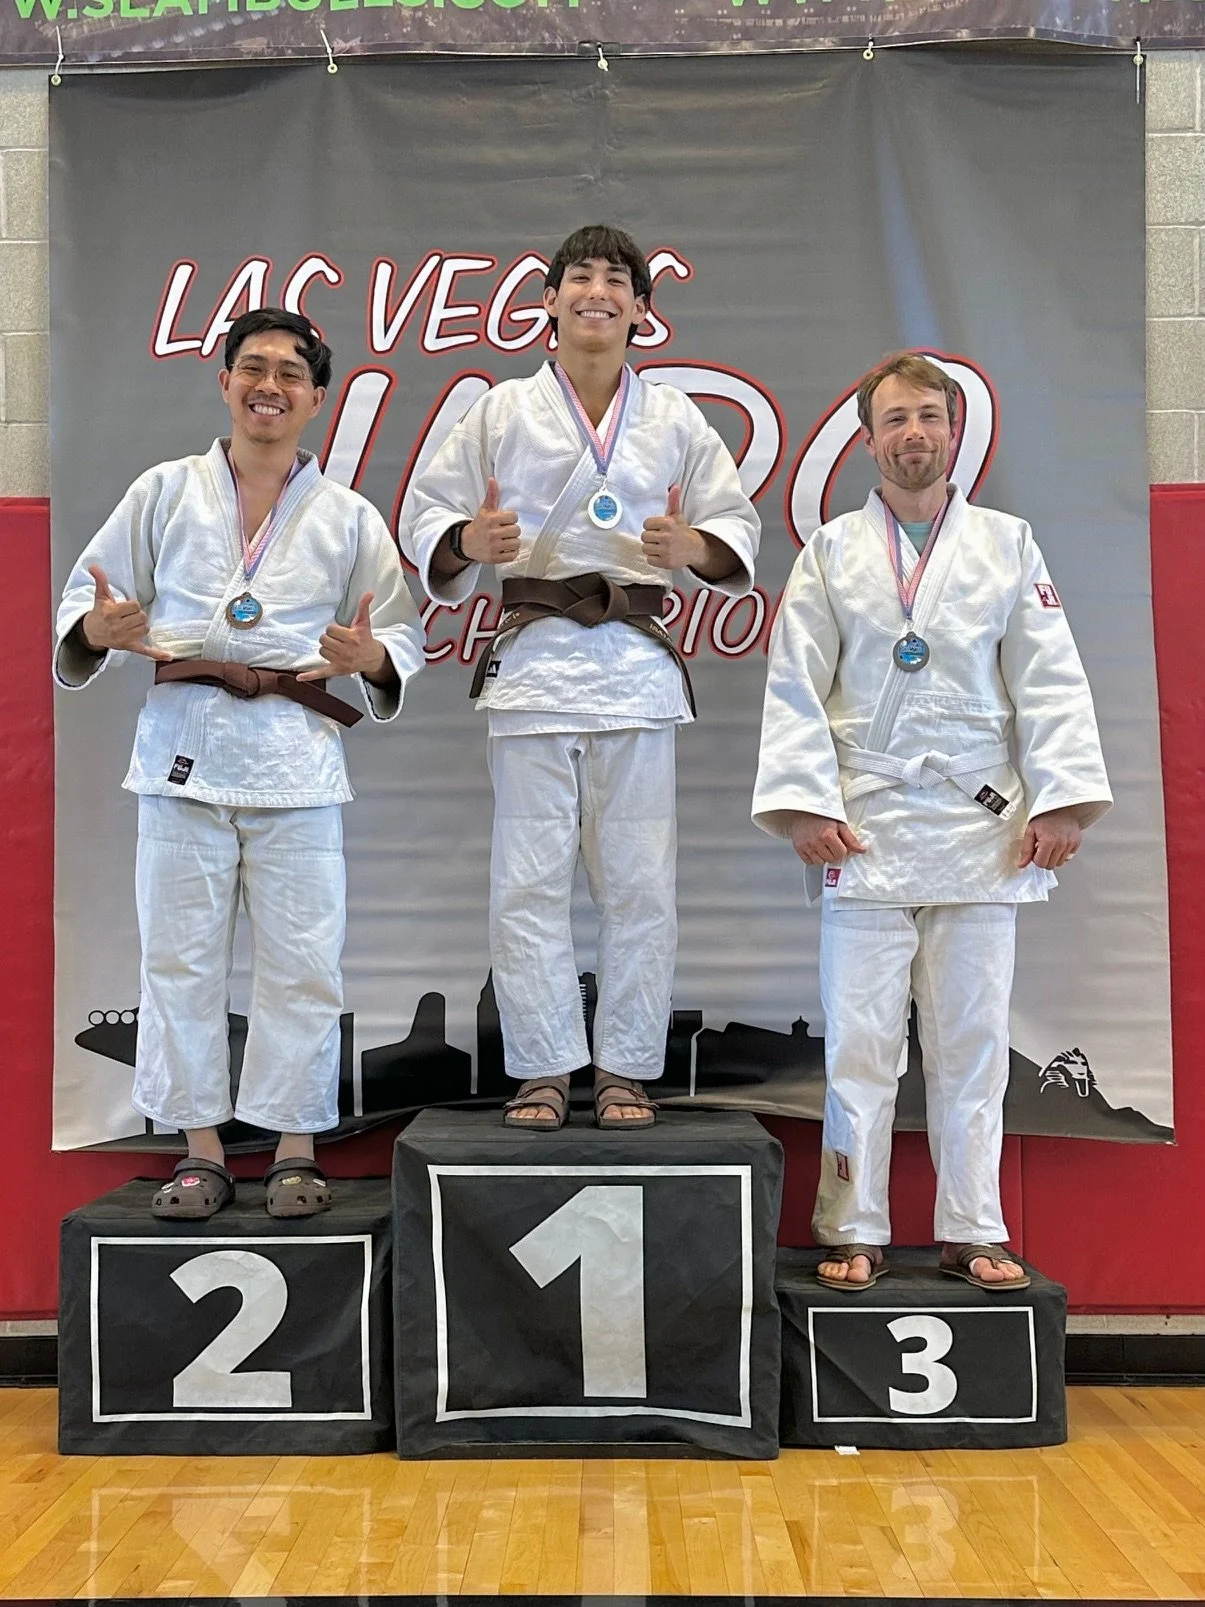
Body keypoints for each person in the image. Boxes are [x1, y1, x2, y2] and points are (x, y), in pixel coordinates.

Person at [55, 308, 425, 1219]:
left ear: (317, 397)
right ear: (223, 383)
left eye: (290, 373)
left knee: (302, 961)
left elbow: (402, 638)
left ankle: (296, 1143)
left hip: (297, 761)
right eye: (252, 368)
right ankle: (198, 1147)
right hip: (182, 749)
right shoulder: (164, 491)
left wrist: (365, 658)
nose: (270, 385)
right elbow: (83, 599)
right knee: (179, 960)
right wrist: (97, 629)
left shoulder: (345, 516)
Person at [752, 351, 1111, 1290]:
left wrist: (1063, 800)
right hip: (861, 824)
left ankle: (973, 1225)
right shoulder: (830, 550)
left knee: (972, 1041)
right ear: (868, 440)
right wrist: (801, 808)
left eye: (927, 418)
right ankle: (852, 1225)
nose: (912, 435)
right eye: (894, 421)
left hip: (981, 824)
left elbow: (1049, 676)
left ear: (954, 432)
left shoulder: (1007, 542)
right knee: (859, 1044)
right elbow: (794, 686)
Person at [404, 224, 760, 1130]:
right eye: (579, 277)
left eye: (615, 280)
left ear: (642, 309)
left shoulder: (675, 419)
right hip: (532, 667)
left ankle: (627, 1069)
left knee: (639, 884)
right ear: (550, 301)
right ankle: (541, 1068)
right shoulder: (495, 410)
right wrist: (463, 542)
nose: (596, 290)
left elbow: (734, 528)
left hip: (636, 673)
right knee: (526, 882)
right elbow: (427, 512)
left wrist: (696, 546)